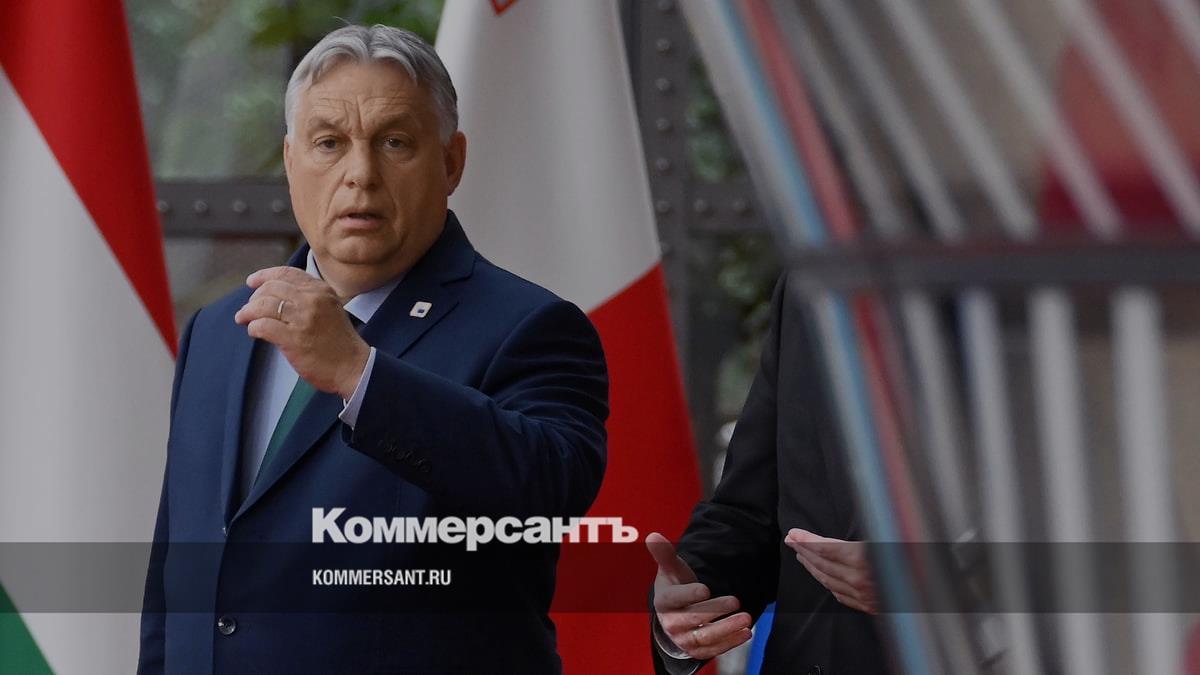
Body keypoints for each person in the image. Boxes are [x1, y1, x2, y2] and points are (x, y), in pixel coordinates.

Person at [138, 25, 608, 674]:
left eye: (394, 143)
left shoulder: (530, 327)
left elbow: (552, 488)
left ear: (451, 163)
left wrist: (359, 373)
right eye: (329, 143)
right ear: (291, 160)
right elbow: (179, 576)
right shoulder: (219, 330)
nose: (360, 175)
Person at [646, 273, 890, 675]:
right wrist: (691, 602)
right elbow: (750, 513)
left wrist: (947, 584)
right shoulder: (804, 285)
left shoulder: (1001, 272)